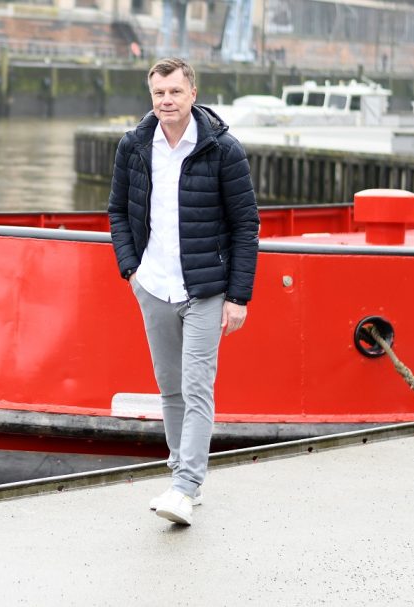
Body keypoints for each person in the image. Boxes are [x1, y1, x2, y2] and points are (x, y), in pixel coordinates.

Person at [107, 57, 259, 526]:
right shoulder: (134, 145)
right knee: (170, 388)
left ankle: (185, 486)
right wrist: (131, 271)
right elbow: (117, 211)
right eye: (159, 93)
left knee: (196, 387)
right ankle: (181, 473)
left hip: (205, 289)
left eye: (175, 91)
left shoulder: (223, 149)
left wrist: (238, 297)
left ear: (193, 93)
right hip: (153, 285)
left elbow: (245, 225)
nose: (166, 101)